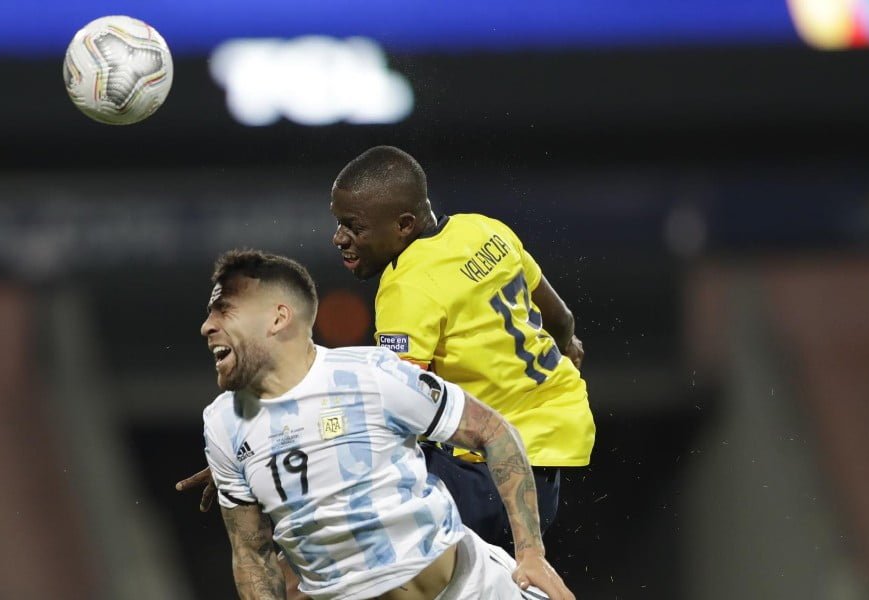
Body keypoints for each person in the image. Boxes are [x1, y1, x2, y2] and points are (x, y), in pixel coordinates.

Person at [180, 146, 595, 550]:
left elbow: (394, 408)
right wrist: (566, 349)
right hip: (548, 460)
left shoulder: (408, 286)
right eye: (338, 222)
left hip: (488, 478)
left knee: (324, 509)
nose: (339, 238)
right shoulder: (484, 230)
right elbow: (562, 321)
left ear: (404, 225)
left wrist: (258, 455)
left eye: (353, 227)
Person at [197, 249, 573, 600]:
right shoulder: (223, 425)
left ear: (278, 318)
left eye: (224, 311)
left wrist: (530, 554)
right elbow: (252, 554)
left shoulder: (372, 376)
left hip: (475, 589)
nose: (207, 327)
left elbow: (494, 432)